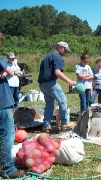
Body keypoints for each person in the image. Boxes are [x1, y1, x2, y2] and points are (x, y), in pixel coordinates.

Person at [0, 36, 25, 178]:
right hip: (2, 102)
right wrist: (6, 71)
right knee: (7, 134)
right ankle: (7, 169)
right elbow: (10, 72)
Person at [38, 41, 77, 133]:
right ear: (60, 48)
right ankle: (64, 123)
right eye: (65, 50)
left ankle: (46, 125)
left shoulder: (47, 56)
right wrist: (70, 81)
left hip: (42, 84)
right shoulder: (57, 57)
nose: (66, 52)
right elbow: (57, 72)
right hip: (50, 83)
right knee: (63, 100)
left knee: (49, 104)